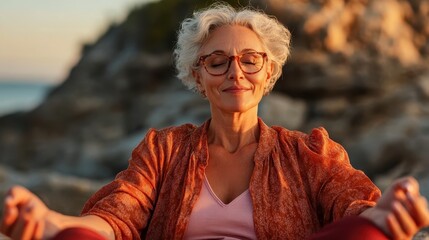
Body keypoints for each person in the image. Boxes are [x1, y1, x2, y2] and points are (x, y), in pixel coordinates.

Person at [1, 3, 429, 240]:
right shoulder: (163, 150)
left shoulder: (309, 152)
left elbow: (350, 203)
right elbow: (119, 216)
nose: (235, 72)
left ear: (268, 74)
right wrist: (55, 224)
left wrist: (375, 218)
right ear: (198, 76)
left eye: (250, 60)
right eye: (217, 61)